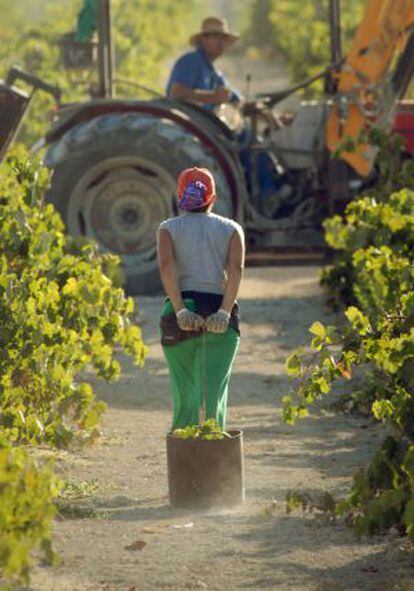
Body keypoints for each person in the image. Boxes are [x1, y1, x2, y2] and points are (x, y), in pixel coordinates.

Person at [157, 167, 245, 430]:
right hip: (219, 309)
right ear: (213, 198)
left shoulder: (167, 229)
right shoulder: (231, 229)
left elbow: (166, 267)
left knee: (186, 394)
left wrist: (181, 311)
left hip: (180, 311)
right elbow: (236, 271)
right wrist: (224, 312)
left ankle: (185, 461)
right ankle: (215, 461)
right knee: (214, 394)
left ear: (179, 196)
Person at [166, 16, 242, 112]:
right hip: (182, 123)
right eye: (216, 36)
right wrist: (213, 97)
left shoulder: (215, 74)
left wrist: (242, 103)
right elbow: (177, 93)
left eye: (224, 38)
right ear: (203, 39)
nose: (221, 42)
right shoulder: (191, 61)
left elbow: (233, 96)